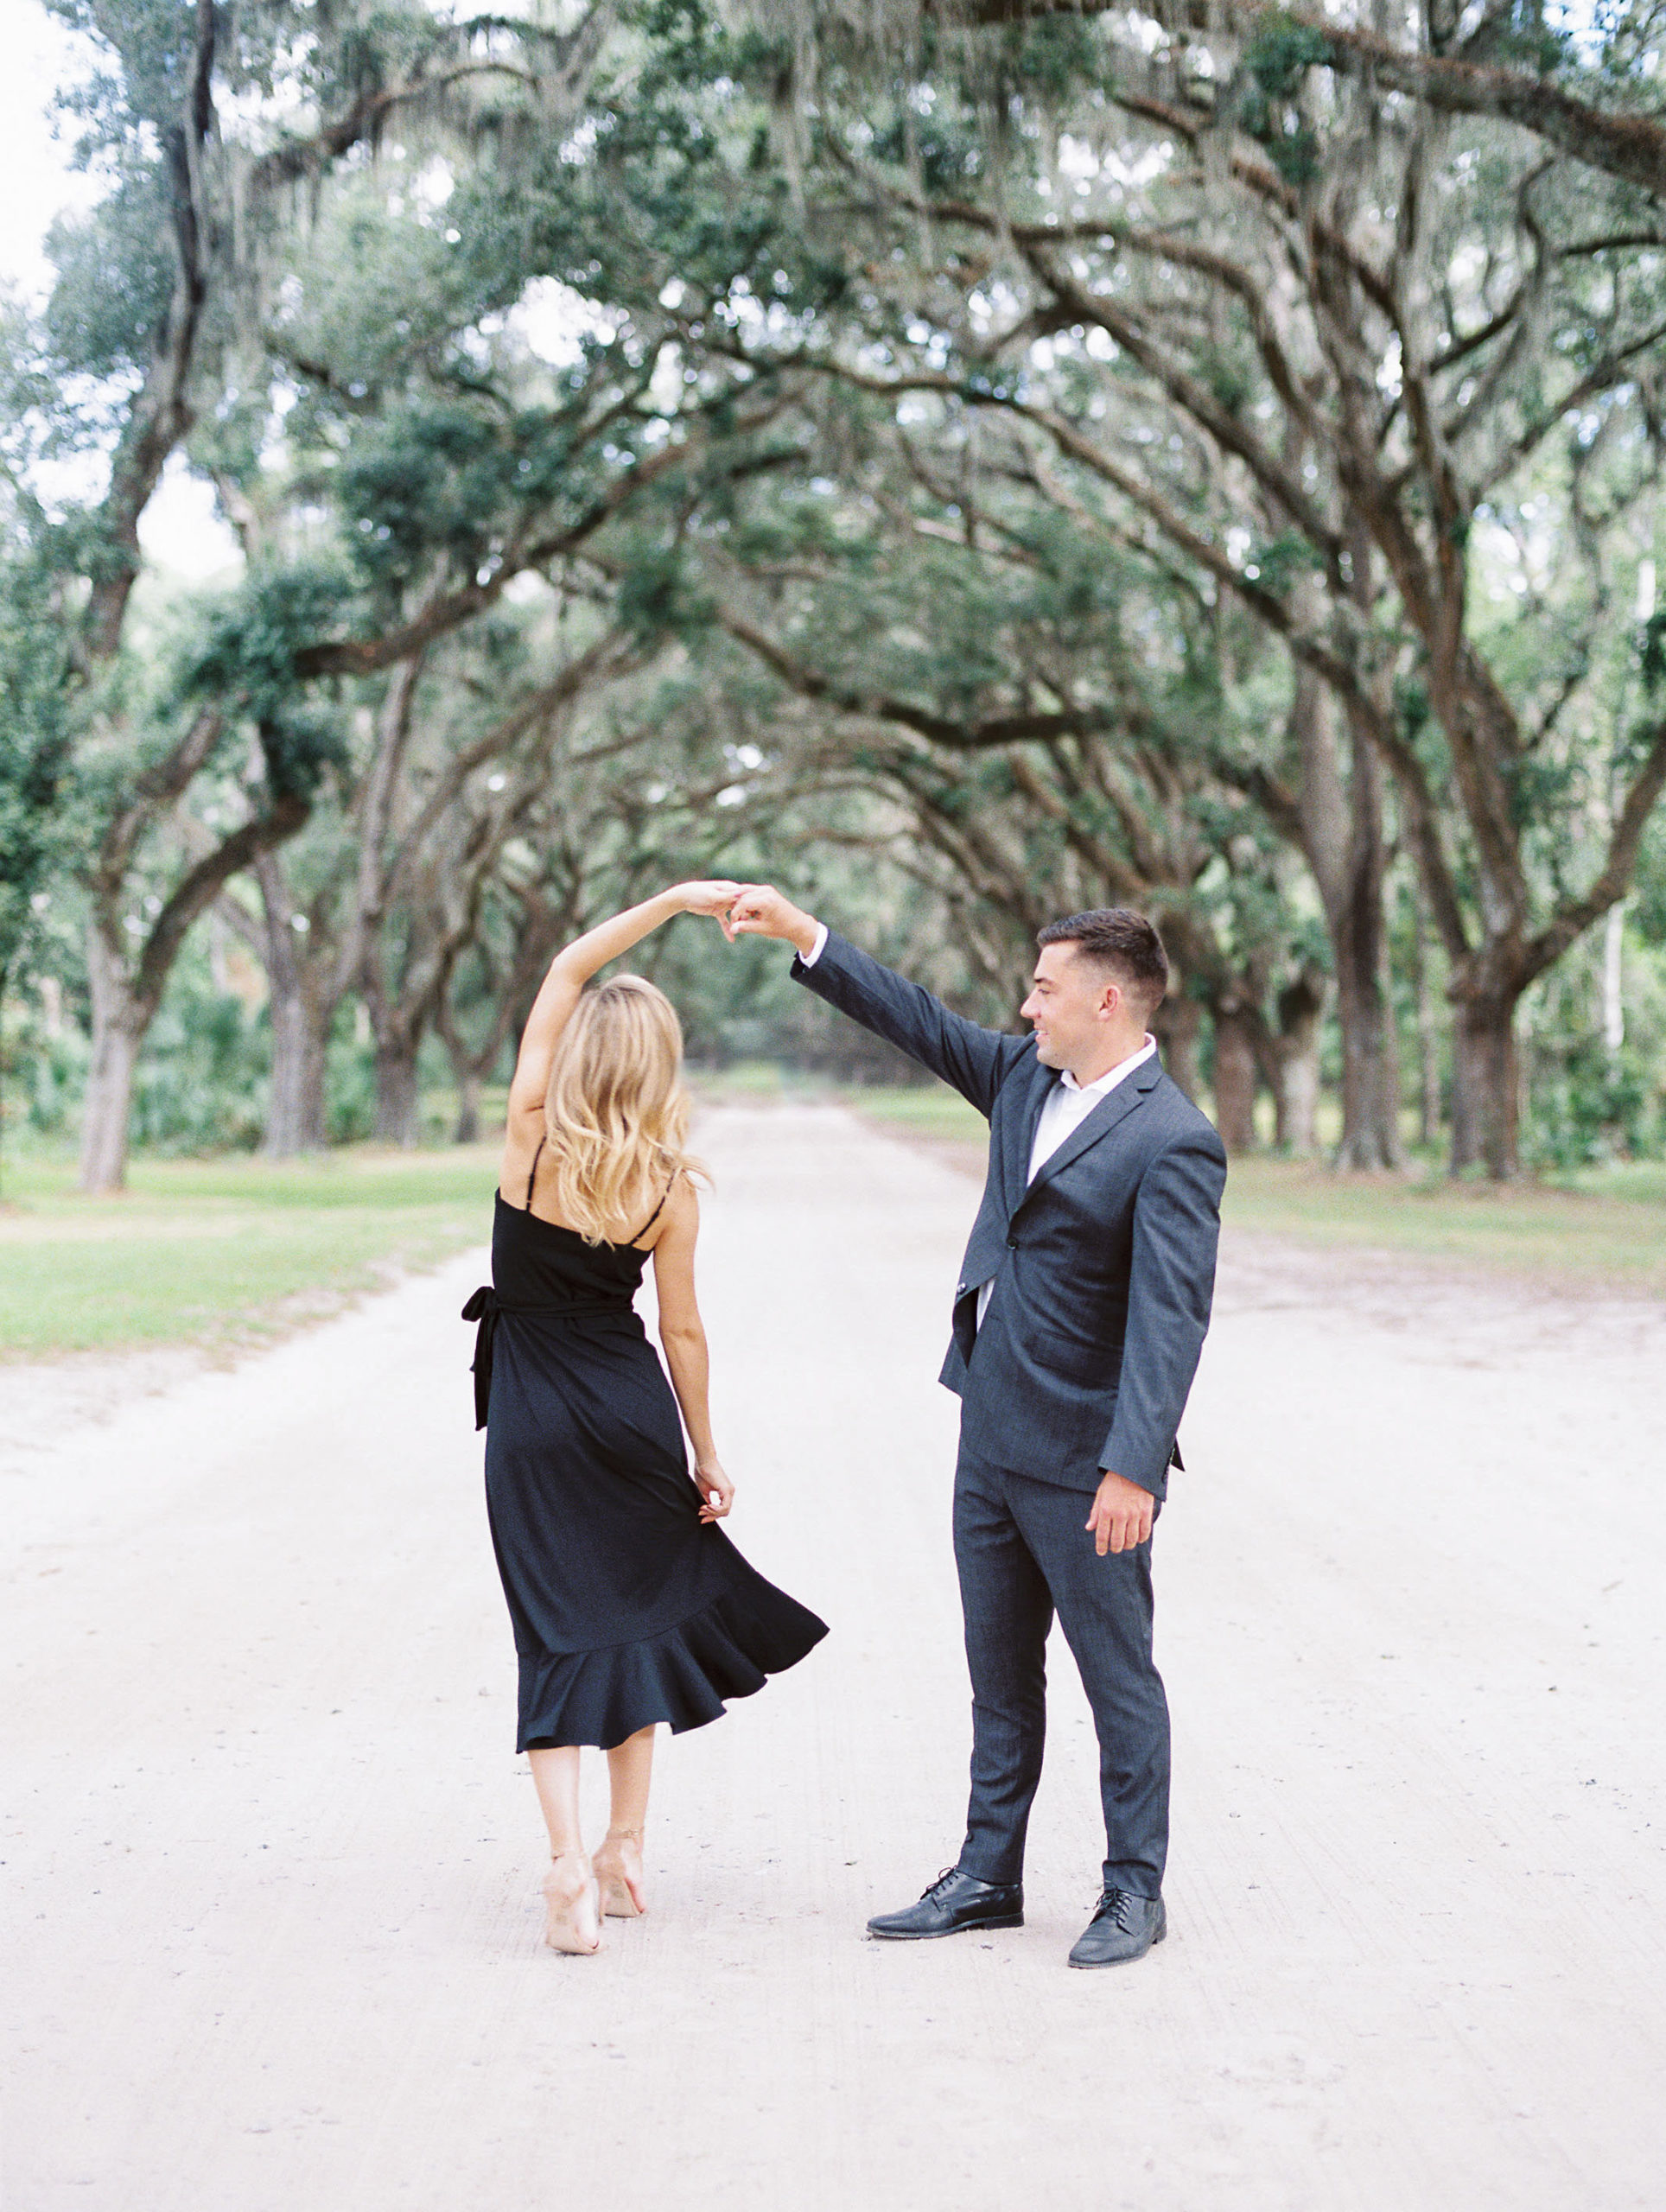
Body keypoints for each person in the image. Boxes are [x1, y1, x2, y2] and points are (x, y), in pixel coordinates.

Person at [725, 887, 1225, 1969]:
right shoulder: (1017, 1078)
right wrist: (807, 935)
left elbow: (1168, 1321)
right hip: (987, 1435)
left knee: (1116, 1677)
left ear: (1104, 997)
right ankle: (987, 1873)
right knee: (998, 1672)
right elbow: (914, 1017)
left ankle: (1133, 1889)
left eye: (1043, 988)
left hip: (1087, 1459)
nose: (1024, 1004)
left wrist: (1132, 1467)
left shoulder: (1175, 1141)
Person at [464, 883, 827, 1955]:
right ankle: (627, 1846)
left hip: (530, 1418)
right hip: (627, 1419)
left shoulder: (528, 1142)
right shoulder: (670, 1188)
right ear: (661, 1068)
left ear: (577, 1057)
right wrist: (707, 1452)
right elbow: (684, 1338)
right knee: (630, 1617)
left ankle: (570, 1861)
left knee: (555, 1631)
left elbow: (567, 966)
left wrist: (668, 902)